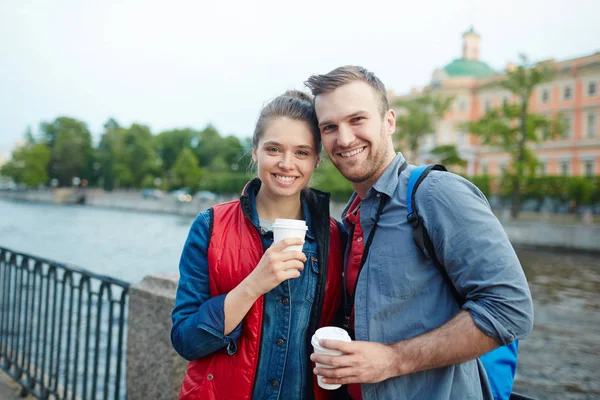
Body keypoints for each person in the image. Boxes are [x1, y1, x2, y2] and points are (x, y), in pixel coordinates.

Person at [304, 66, 534, 400]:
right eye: (330, 127)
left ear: (389, 121)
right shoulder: (353, 216)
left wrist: (391, 359)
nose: (344, 138)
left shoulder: (436, 194)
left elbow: (510, 309)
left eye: (357, 119)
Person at [171, 90, 345, 400]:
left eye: (302, 152)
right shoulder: (210, 226)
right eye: (274, 149)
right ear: (255, 152)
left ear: (317, 159)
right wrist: (253, 284)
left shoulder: (333, 238)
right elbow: (186, 341)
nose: (286, 164)